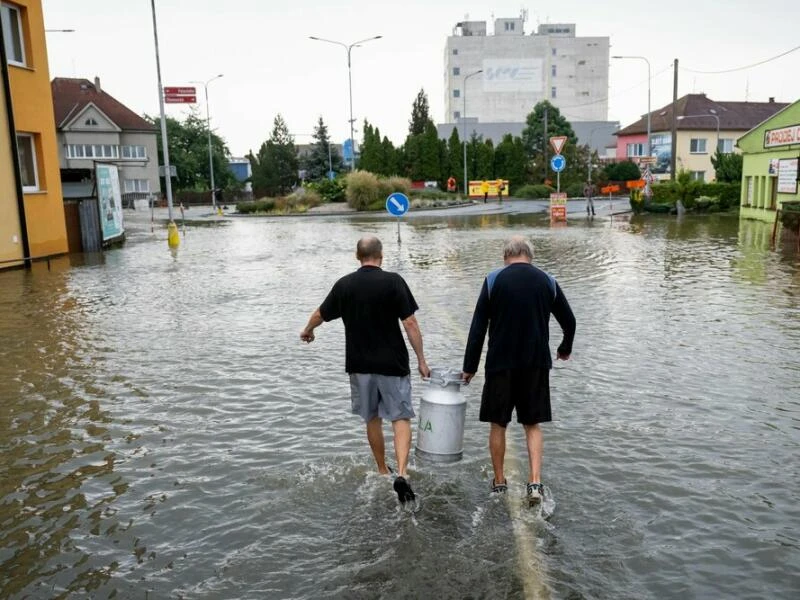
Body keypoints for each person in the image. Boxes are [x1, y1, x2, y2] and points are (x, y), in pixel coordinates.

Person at [300, 236, 431, 506]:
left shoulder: (345, 284)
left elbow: (320, 314)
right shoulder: (394, 281)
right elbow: (410, 322)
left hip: (359, 365)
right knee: (400, 418)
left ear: (356, 256)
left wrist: (307, 330)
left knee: (372, 418)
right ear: (380, 255)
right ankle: (403, 473)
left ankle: (383, 471)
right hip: (393, 364)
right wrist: (421, 359)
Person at [461, 236, 575, 505]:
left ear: (506, 257)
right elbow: (569, 320)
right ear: (529, 256)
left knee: (498, 424)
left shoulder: (493, 281)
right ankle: (534, 483)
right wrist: (564, 348)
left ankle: (499, 483)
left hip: (500, 363)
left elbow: (478, 328)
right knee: (532, 424)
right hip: (535, 363)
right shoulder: (547, 281)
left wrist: (470, 367)